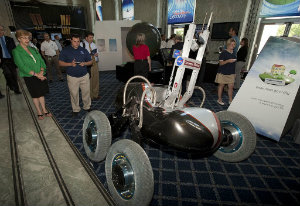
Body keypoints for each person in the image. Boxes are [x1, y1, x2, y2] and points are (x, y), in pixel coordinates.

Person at [12, 30, 51, 120]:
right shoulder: (16, 51)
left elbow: (41, 60)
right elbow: (21, 66)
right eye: (24, 38)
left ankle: (44, 109)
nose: (27, 40)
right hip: (30, 76)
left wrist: (41, 71)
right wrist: (36, 74)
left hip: (40, 74)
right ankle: (39, 111)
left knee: (41, 94)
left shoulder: (32, 49)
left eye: (28, 38)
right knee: (35, 95)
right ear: (19, 39)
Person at [59, 33, 93, 117]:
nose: (76, 43)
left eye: (78, 41)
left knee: (86, 92)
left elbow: (90, 61)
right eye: (74, 41)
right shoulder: (65, 50)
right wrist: (70, 64)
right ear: (71, 40)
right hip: (72, 76)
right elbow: (60, 63)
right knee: (74, 94)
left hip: (84, 75)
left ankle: (87, 106)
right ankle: (76, 109)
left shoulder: (83, 50)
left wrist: (84, 63)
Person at [0, 25, 21, 94]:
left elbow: (14, 50)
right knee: (7, 73)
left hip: (11, 60)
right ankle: (10, 84)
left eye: (2, 30)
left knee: (14, 75)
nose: (1, 31)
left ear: (4, 31)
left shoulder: (9, 39)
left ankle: (16, 90)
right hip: (3, 61)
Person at [215, 38, 237, 105]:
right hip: (223, 72)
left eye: (234, 45)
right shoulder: (223, 53)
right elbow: (221, 63)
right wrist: (228, 61)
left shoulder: (234, 53)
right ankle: (219, 99)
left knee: (231, 87)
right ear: (228, 44)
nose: (233, 46)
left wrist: (234, 73)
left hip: (231, 73)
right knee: (221, 85)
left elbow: (234, 64)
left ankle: (230, 100)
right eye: (231, 44)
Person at [80, 32, 100, 100]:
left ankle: (95, 94)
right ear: (86, 38)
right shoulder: (82, 45)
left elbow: (97, 53)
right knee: (89, 80)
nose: (92, 39)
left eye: (92, 37)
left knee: (95, 79)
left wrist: (96, 54)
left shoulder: (94, 45)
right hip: (87, 64)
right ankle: (90, 96)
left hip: (95, 63)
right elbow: (81, 55)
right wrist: (90, 54)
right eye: (90, 37)